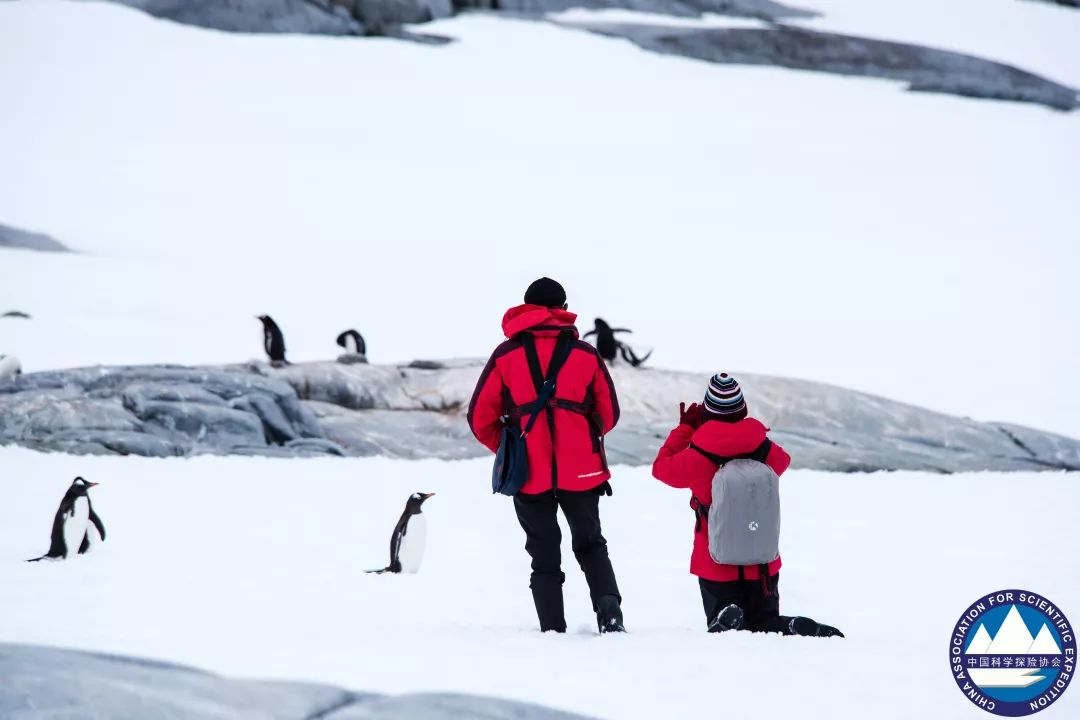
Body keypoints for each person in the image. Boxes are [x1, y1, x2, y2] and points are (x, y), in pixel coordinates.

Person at [468, 277, 625, 633]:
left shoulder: (505, 355)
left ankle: (552, 628)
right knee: (591, 544)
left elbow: (479, 418)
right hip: (582, 470)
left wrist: (511, 450)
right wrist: (583, 438)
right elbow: (609, 412)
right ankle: (610, 614)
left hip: (529, 472)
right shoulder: (586, 354)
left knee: (543, 553)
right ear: (562, 308)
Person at [652, 373, 844, 637]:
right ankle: (789, 625)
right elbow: (784, 461)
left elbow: (661, 468)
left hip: (715, 563)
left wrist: (686, 428)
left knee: (726, 631)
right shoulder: (765, 450)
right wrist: (751, 436)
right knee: (764, 625)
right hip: (761, 562)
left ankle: (727, 620)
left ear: (708, 413)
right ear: (742, 410)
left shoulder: (697, 457)